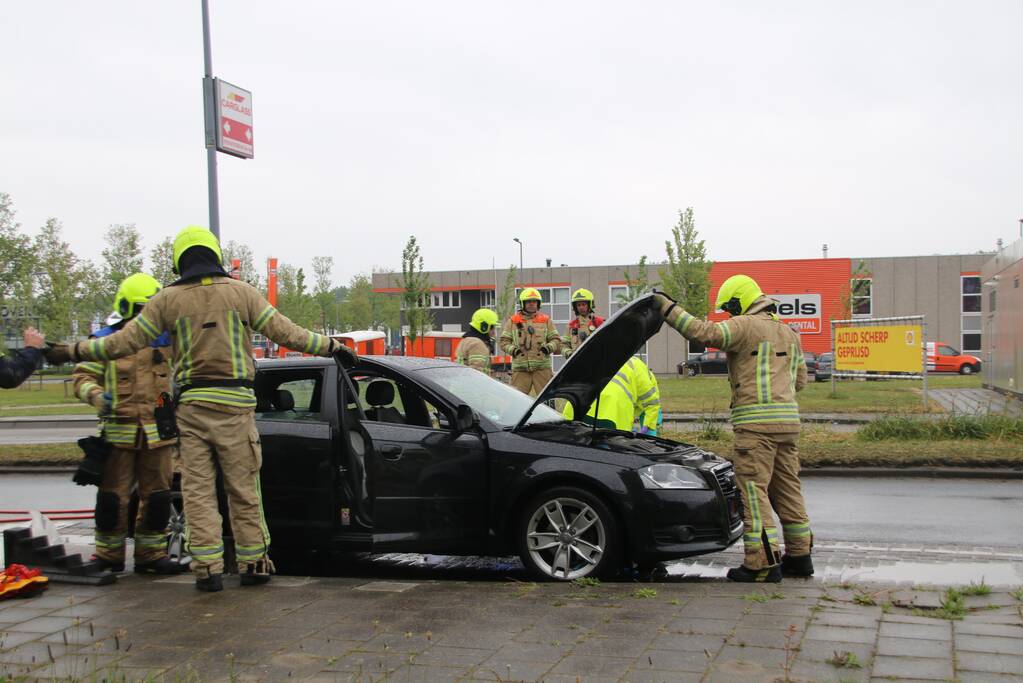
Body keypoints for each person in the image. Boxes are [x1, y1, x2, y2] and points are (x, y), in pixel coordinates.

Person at [47, 226, 357, 592]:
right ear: (215, 255)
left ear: (180, 260)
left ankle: (206, 568)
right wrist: (333, 346)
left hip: (192, 410)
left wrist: (71, 351)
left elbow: (120, 342)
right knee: (243, 489)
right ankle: (253, 562)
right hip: (236, 409)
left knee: (197, 492)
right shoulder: (243, 293)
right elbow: (287, 332)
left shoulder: (167, 300)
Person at [655, 276, 812, 583]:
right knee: (788, 492)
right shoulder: (789, 333)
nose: (729, 314)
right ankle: (800, 557)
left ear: (741, 301)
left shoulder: (744, 326)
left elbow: (703, 332)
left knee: (755, 494)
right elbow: (801, 381)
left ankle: (762, 564)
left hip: (756, 426)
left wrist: (667, 308)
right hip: (789, 425)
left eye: (730, 307)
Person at [72, 273, 182, 575]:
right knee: (111, 498)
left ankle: (151, 555)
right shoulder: (105, 341)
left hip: (159, 435)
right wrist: (96, 396)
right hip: (118, 435)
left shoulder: (168, 340)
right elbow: (82, 378)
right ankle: (108, 556)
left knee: (158, 497)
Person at [563, 356, 660, 435]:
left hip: (581, 406)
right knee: (612, 448)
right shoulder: (641, 369)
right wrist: (648, 427)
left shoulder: (600, 357)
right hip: (613, 412)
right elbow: (652, 404)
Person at [500, 288, 562, 395]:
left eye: (534, 301)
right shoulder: (513, 321)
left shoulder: (546, 320)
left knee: (547, 400)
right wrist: (514, 351)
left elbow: (556, 340)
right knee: (517, 400)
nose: (531, 304)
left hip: (542, 368)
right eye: (528, 302)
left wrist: (547, 348)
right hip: (520, 369)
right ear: (522, 303)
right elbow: (504, 342)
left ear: (538, 303)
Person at [562, 289, 605, 359]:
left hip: (596, 362)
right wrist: (570, 354)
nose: (581, 307)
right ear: (575, 307)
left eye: (583, 304)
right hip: (578, 363)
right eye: (578, 305)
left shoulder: (599, 322)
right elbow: (563, 346)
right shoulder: (571, 325)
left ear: (590, 305)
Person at [456, 308, 498, 375]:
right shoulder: (477, 344)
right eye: (492, 328)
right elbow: (477, 373)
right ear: (484, 327)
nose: (493, 332)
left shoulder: (465, 340)